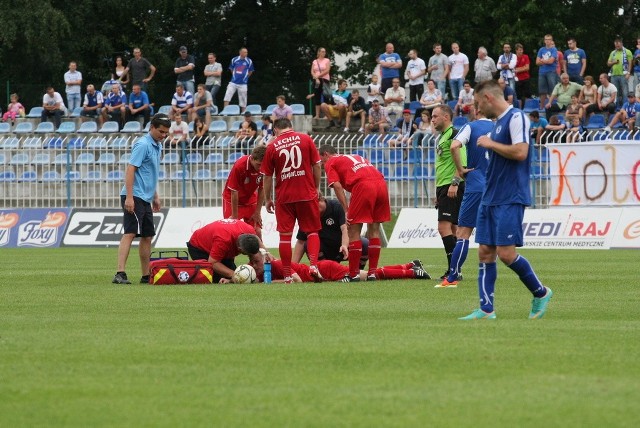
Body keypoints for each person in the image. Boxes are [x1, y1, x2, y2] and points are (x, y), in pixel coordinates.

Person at [459, 79, 553, 320]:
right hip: (490, 196)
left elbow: (521, 152)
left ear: (489, 99)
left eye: (479, 104)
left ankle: (540, 293)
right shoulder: (497, 123)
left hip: (510, 196)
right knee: (484, 252)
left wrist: (490, 143)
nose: (477, 110)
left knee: (506, 254)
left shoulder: (516, 118)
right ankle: (486, 309)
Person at [261, 118, 323, 283]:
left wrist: (267, 199)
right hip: (306, 193)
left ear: (275, 130)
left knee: (285, 237)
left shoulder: (272, 146)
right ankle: (314, 265)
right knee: (312, 231)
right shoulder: (305, 139)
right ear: (291, 127)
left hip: (285, 197)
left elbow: (267, 176)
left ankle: (288, 275)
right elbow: (317, 165)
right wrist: (316, 187)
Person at [112, 113, 171, 285]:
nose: (164, 135)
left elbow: (150, 172)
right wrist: (129, 197)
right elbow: (131, 170)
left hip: (145, 196)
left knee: (147, 236)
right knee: (130, 233)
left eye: (166, 132)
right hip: (135, 195)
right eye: (161, 131)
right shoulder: (143, 144)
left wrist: (155, 195)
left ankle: (146, 275)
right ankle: (120, 273)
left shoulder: (157, 145)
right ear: (151, 127)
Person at [318, 145, 391, 282]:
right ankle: (372, 273)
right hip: (381, 184)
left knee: (353, 229)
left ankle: (353, 274)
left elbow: (337, 186)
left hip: (363, 186)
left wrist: (346, 210)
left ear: (326, 154)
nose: (321, 165)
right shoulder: (355, 157)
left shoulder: (331, 162)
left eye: (321, 161)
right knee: (374, 229)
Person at [438, 108, 493, 288]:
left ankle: (453, 277)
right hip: (496, 186)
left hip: (476, 184)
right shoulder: (500, 127)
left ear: (477, 110)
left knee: (463, 233)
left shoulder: (470, 127)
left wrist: (460, 171)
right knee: (494, 236)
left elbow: (455, 146)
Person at [431, 104, 466, 280]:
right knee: (452, 228)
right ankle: (454, 270)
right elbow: (443, 165)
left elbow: (463, 161)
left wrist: (454, 183)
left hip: (452, 185)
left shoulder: (455, 135)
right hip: (443, 186)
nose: (432, 119)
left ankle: (454, 271)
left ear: (446, 117)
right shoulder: (442, 137)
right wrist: (438, 191)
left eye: (435, 116)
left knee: (443, 227)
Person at [292, 196, 369, 269]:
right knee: (308, 244)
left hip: (341, 247)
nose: (310, 209)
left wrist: (344, 245)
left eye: (312, 206)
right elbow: (301, 242)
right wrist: (293, 267)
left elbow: (345, 229)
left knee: (365, 244)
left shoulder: (336, 207)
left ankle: (357, 271)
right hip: (325, 251)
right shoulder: (308, 216)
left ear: (320, 200)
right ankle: (324, 270)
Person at [186, 219, 270, 284]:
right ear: (239, 250)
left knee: (234, 279)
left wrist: (266, 253)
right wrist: (235, 275)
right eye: (247, 255)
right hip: (198, 247)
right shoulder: (223, 240)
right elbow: (212, 262)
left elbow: (256, 238)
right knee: (218, 279)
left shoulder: (249, 230)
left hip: (221, 244)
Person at [258, 258, 429, 283]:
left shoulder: (276, 264)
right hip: (324, 269)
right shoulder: (265, 268)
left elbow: (298, 280)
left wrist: (273, 282)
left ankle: (413, 273)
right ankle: (408, 265)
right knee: (370, 273)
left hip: (327, 270)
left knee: (371, 275)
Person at [223, 145, 266, 236]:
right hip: (232, 200)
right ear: (252, 159)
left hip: (250, 199)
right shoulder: (240, 166)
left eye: (262, 165)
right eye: (258, 164)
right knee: (232, 231)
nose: (260, 168)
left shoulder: (264, 167)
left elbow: (262, 189)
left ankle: (260, 250)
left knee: (257, 230)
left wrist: (258, 212)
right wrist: (234, 216)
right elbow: (234, 192)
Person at [223, 47, 254, 113]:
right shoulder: (234, 59)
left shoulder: (249, 61)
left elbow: (250, 71)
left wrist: (245, 78)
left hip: (243, 83)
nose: (246, 53)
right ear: (240, 53)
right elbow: (231, 69)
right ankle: (225, 111)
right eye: (245, 52)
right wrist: (235, 76)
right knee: (227, 95)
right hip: (233, 82)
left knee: (243, 99)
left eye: (247, 52)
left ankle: (243, 113)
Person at [607, 36, 633, 107]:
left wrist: (628, 73)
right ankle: (617, 107)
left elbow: (630, 63)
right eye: (615, 43)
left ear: (622, 43)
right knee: (615, 92)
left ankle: (625, 107)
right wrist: (614, 62)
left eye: (618, 43)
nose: (617, 45)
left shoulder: (627, 51)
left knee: (625, 92)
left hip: (623, 75)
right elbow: (608, 63)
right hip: (614, 75)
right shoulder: (613, 53)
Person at [536, 34, 559, 110]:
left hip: (551, 72)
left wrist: (542, 60)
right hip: (542, 72)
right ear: (544, 40)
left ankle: (553, 106)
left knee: (553, 89)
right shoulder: (541, 49)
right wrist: (546, 61)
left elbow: (551, 61)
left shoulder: (554, 49)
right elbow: (537, 62)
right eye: (546, 39)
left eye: (549, 39)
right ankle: (542, 107)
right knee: (542, 90)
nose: (547, 41)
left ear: (551, 41)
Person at [310, 47, 331, 119]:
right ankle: (317, 115)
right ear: (318, 52)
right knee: (317, 95)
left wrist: (318, 76)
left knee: (326, 95)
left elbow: (327, 70)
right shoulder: (315, 61)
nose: (324, 53)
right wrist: (316, 78)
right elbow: (312, 71)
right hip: (316, 80)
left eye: (324, 52)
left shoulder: (327, 60)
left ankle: (326, 114)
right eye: (322, 51)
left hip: (324, 79)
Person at [514, 43, 531, 109]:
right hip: (518, 79)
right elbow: (513, 69)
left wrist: (518, 69)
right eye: (519, 50)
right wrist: (523, 68)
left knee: (527, 95)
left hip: (526, 78)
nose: (521, 51)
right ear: (516, 50)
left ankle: (527, 108)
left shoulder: (525, 56)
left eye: (522, 50)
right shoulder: (514, 57)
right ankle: (520, 108)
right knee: (519, 96)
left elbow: (527, 68)